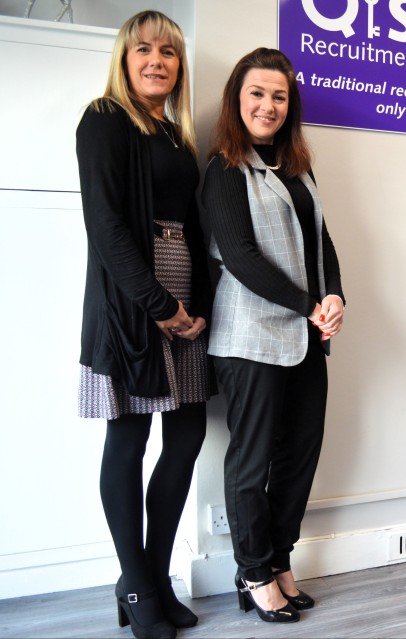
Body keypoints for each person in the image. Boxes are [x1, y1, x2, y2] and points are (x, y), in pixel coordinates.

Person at [76, 10, 210, 639]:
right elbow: (105, 227)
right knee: (128, 440)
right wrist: (160, 306)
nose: (157, 60)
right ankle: (134, 582)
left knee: (186, 437)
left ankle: (156, 575)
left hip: (185, 299)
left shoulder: (177, 137)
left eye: (169, 51)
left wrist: (197, 303)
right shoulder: (104, 119)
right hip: (133, 301)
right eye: (144, 50)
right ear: (124, 59)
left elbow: (193, 224)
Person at [202, 48, 344, 623]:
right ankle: (254, 571)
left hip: (306, 335)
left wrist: (335, 296)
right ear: (237, 100)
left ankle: (280, 558)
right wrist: (310, 306)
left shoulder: (298, 167)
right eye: (257, 93)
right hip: (250, 338)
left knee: (299, 456)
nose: (268, 105)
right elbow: (240, 257)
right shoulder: (224, 169)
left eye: (279, 96)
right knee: (252, 459)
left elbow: (321, 241)